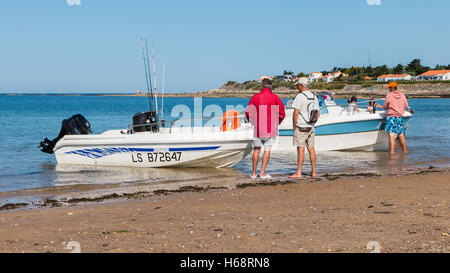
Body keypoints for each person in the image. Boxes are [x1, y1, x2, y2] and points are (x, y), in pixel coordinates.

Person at [245, 78, 286, 179]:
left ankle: (254, 173)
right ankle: (262, 173)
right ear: (271, 86)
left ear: (262, 86)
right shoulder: (275, 98)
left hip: (258, 127)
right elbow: (282, 113)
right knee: (267, 150)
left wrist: (253, 121)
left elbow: (248, 112)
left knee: (256, 150)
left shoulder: (255, 97)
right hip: (270, 127)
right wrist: (277, 122)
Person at [289, 77, 320, 179]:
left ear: (301, 85)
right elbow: (318, 113)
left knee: (300, 150)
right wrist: (312, 123)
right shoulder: (314, 96)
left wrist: (294, 127)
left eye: (298, 85)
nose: (297, 86)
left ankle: (299, 172)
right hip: (311, 126)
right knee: (311, 149)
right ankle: (314, 172)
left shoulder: (300, 96)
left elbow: (295, 113)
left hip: (301, 126)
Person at [377, 82, 409, 154]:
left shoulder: (389, 95)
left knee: (391, 135)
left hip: (391, 117)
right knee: (400, 134)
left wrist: (383, 107)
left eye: (389, 88)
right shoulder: (402, 95)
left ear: (392, 88)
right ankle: (405, 151)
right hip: (399, 117)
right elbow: (406, 105)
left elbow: (385, 106)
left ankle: (392, 153)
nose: (388, 89)